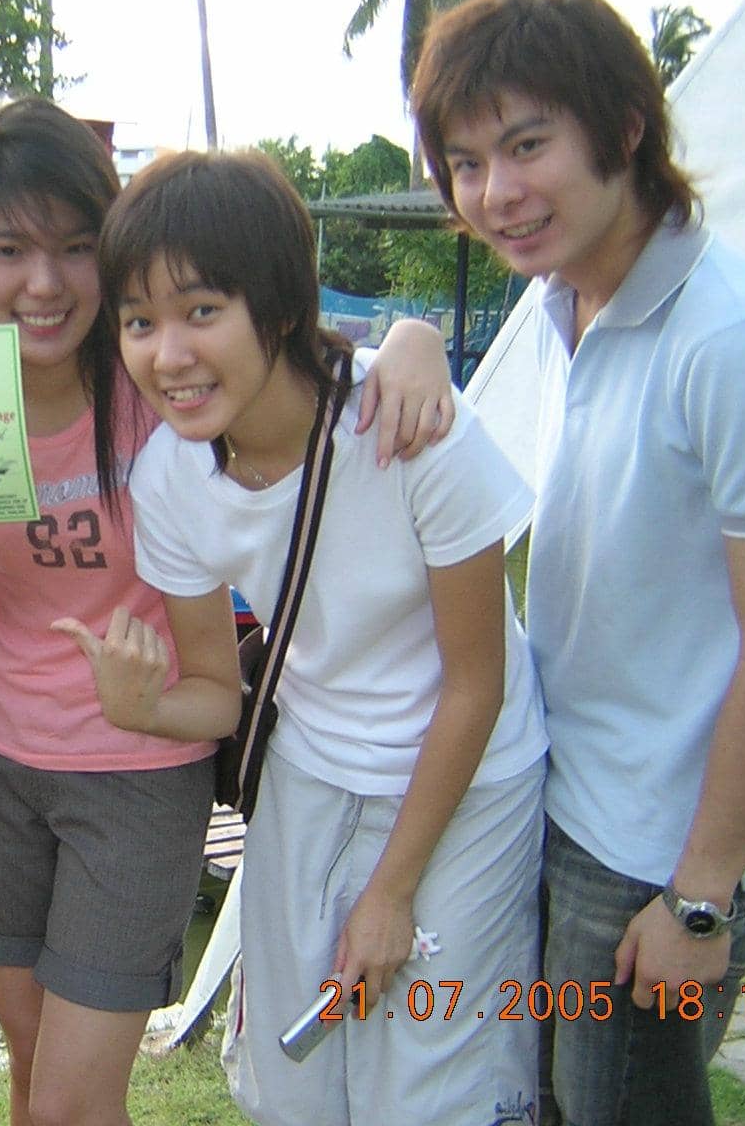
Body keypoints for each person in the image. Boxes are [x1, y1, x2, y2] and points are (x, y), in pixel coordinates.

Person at [0, 101, 459, 1126]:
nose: (44, 282)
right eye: (6, 251)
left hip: (138, 779)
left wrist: (414, 340)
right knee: (28, 1076)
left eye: (72, 247)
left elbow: (303, 362)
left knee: (71, 1099)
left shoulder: (162, 377)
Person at [409, 0, 745, 1126]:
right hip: (575, 791)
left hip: (668, 839)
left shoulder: (735, 343)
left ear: (626, 128)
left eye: (527, 144)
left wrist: (699, 901)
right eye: (464, 161)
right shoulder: (568, 307)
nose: (495, 193)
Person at [86, 148, 549, 1126]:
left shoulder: (410, 430)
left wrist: (391, 891)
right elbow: (218, 685)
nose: (166, 353)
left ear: (283, 310)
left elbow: (478, 684)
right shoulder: (170, 479)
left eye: (201, 311)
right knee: (293, 1073)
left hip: (463, 782)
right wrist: (146, 706)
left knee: (427, 1087)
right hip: (307, 771)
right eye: (138, 320)